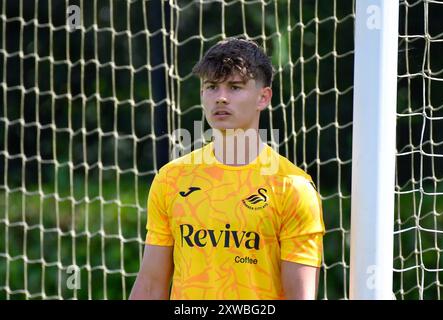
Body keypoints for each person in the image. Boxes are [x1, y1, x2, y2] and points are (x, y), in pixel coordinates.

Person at [129, 38, 325, 300]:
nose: (221, 97)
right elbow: (151, 286)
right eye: (211, 87)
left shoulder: (293, 187)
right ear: (202, 94)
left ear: (263, 97)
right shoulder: (171, 179)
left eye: (234, 87)